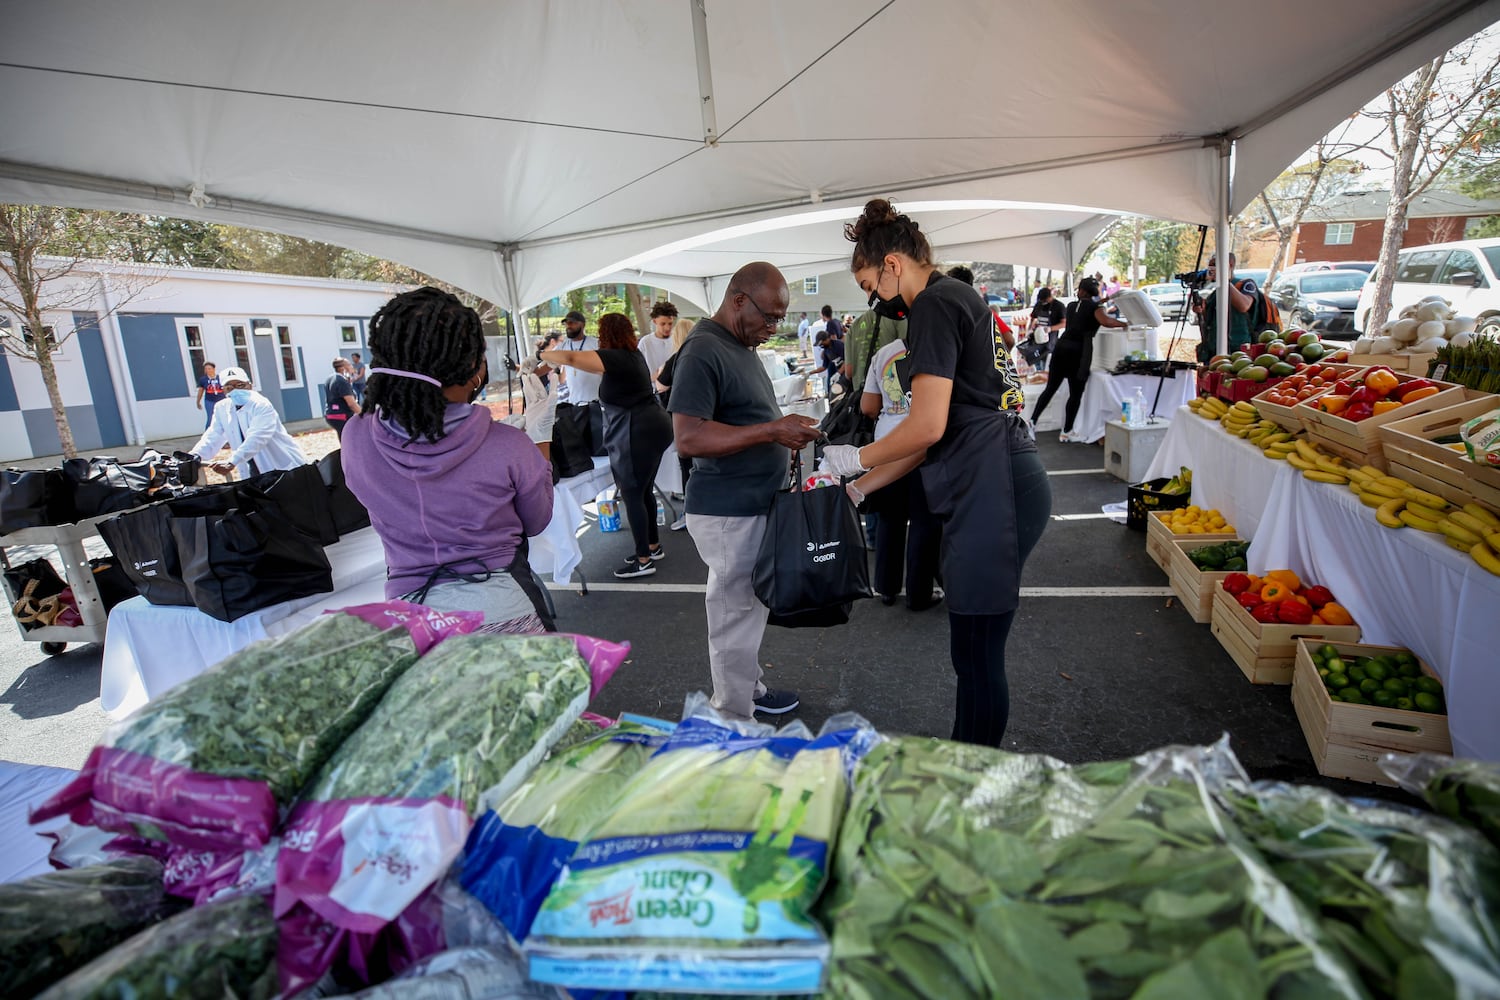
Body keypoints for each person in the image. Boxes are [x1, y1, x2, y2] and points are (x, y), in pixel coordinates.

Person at [820, 199, 1051, 748]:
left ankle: (971, 772)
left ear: (892, 264)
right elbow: (933, 436)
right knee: (971, 648)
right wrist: (859, 488)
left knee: (976, 651)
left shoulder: (933, 304)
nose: (874, 298)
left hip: (996, 484)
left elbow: (924, 426)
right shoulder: (954, 296)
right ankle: (968, 761)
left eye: (869, 284)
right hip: (993, 476)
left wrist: (858, 457)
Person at [341, 287, 554, 634]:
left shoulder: (356, 435)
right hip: (502, 610)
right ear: (472, 367)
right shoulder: (508, 445)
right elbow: (537, 519)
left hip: (411, 618)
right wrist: (541, 438)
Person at [669, 261, 822, 721]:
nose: (774, 328)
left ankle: (748, 691)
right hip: (727, 511)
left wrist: (777, 430)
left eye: (780, 318)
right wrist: (771, 431)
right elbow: (689, 437)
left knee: (747, 610)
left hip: (751, 504)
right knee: (734, 617)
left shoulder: (738, 343)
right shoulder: (702, 350)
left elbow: (742, 417)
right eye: (769, 316)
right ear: (738, 300)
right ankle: (733, 719)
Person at [542, 313, 674, 579]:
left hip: (638, 431)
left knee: (633, 494)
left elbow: (571, 358)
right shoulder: (631, 355)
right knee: (644, 490)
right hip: (654, 427)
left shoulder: (616, 357)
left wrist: (543, 356)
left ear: (607, 333)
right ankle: (651, 545)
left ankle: (643, 559)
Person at [850, 332, 942, 610]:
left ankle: (887, 589)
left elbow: (868, 406)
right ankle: (919, 594)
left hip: (887, 447)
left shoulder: (884, 354)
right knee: (924, 524)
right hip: (926, 446)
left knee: (890, 519)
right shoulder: (938, 349)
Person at [1030, 276, 1128, 442]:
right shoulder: (1095, 306)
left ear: (1081, 291)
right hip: (1079, 352)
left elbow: (1087, 307)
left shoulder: (1071, 305)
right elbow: (1106, 321)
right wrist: (1126, 324)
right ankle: (1066, 431)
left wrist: (1104, 300)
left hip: (1061, 348)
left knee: (1050, 388)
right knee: (1075, 393)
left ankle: (1032, 422)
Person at [188, 365, 305, 480]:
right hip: (252, 470)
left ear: (249, 385)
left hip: (283, 468)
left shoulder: (261, 404)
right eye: (229, 387)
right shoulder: (222, 408)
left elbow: (258, 437)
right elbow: (213, 436)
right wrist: (195, 456)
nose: (236, 390)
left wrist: (232, 461)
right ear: (223, 390)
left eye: (240, 385)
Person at [656, 316, 697, 530]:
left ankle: (690, 514)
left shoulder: (677, 358)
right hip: (705, 419)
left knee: (687, 466)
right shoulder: (702, 357)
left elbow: (660, 385)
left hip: (682, 420)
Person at [1192, 252, 1258, 362]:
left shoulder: (1244, 284)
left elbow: (1244, 305)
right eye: (1210, 265)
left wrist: (1223, 279)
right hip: (1214, 348)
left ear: (1230, 265)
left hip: (1238, 349)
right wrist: (1201, 309)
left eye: (1215, 264)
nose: (1211, 268)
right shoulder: (1215, 292)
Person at [1025, 287, 1066, 377]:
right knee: (1035, 358)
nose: (1043, 302)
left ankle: (1044, 376)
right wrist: (1029, 329)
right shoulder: (1039, 304)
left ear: (1050, 297)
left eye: (1045, 300)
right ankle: (1038, 374)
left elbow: (1064, 323)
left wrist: (1050, 328)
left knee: (1046, 360)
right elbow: (1032, 318)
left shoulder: (1059, 306)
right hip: (1036, 337)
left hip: (1050, 339)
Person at [640, 300, 678, 384]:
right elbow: (637, 370)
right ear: (654, 321)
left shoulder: (677, 340)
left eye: (670, 323)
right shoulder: (645, 342)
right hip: (652, 391)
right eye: (663, 324)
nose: (667, 328)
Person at [324, 356, 362, 437]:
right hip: (342, 416)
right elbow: (351, 404)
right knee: (351, 440)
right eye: (349, 364)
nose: (352, 366)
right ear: (342, 368)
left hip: (331, 415)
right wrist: (365, 416)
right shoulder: (341, 381)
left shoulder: (330, 378)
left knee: (344, 439)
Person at [195, 361, 225, 428]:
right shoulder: (203, 379)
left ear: (213, 369)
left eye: (209, 368)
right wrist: (198, 401)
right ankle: (208, 434)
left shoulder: (220, 378)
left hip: (221, 400)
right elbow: (200, 391)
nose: (207, 370)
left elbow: (226, 388)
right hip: (210, 401)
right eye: (206, 369)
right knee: (210, 418)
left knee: (224, 416)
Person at [820, 324, 846, 396]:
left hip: (845, 371)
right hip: (838, 370)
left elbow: (847, 361)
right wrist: (810, 373)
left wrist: (839, 373)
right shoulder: (826, 350)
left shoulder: (839, 345)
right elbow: (824, 366)